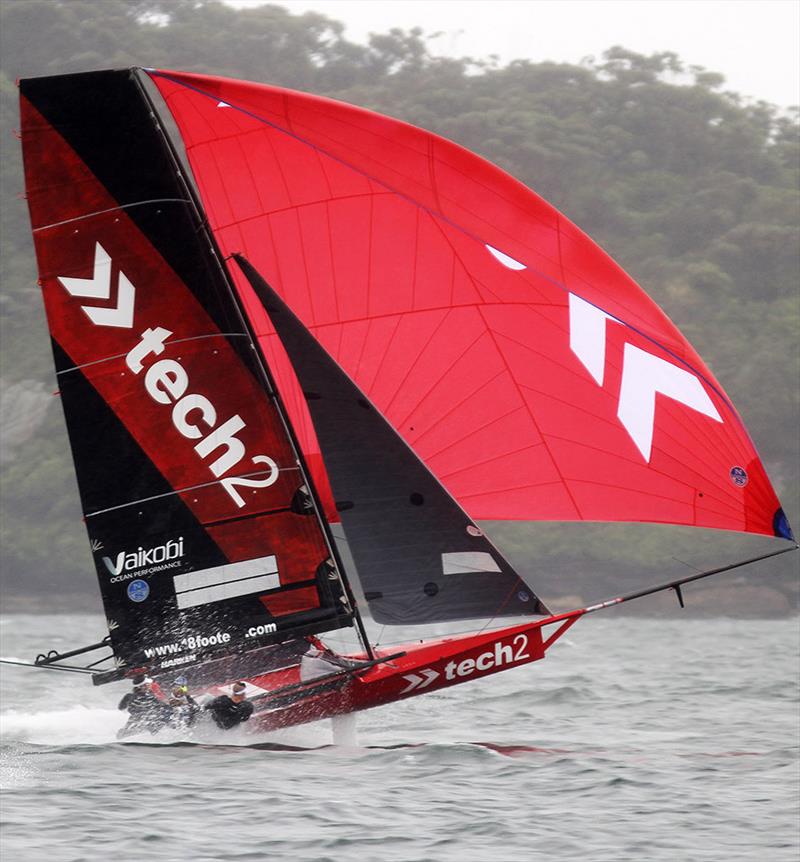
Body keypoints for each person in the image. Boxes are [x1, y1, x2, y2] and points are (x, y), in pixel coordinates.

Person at [117, 673, 173, 737]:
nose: (150, 686)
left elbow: (121, 708)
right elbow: (163, 707)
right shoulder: (149, 697)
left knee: (124, 733)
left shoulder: (130, 696)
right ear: (143, 686)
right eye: (148, 684)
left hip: (137, 720)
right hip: (144, 721)